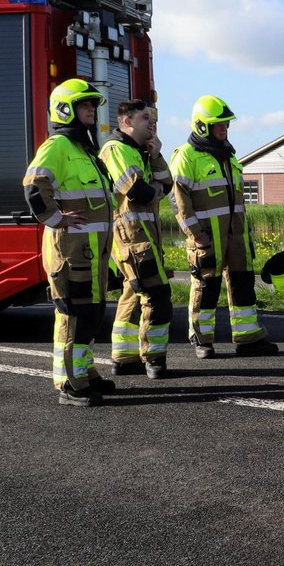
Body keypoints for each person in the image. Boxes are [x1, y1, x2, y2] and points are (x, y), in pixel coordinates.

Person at [22, 78, 117, 407]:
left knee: (91, 313)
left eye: (92, 104)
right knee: (73, 315)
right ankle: (69, 384)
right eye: (85, 104)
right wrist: (55, 219)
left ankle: (84, 371)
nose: (92, 109)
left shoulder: (84, 150)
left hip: (91, 253)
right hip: (71, 251)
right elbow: (34, 186)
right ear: (66, 110)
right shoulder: (57, 146)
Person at [169, 95, 278, 358]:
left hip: (236, 237)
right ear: (202, 126)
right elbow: (178, 201)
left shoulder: (228, 155)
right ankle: (201, 340)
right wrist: (197, 235)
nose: (224, 128)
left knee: (242, 286)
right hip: (207, 238)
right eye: (219, 124)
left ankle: (247, 338)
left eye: (226, 124)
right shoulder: (186, 156)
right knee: (206, 287)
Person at [101, 99, 174, 378]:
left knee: (133, 292)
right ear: (127, 122)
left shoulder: (142, 152)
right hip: (131, 238)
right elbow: (138, 192)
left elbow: (166, 184)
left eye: (153, 118)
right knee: (158, 294)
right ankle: (154, 359)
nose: (152, 123)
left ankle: (124, 357)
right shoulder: (115, 149)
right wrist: (154, 189)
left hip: (145, 237)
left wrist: (156, 156)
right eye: (145, 118)